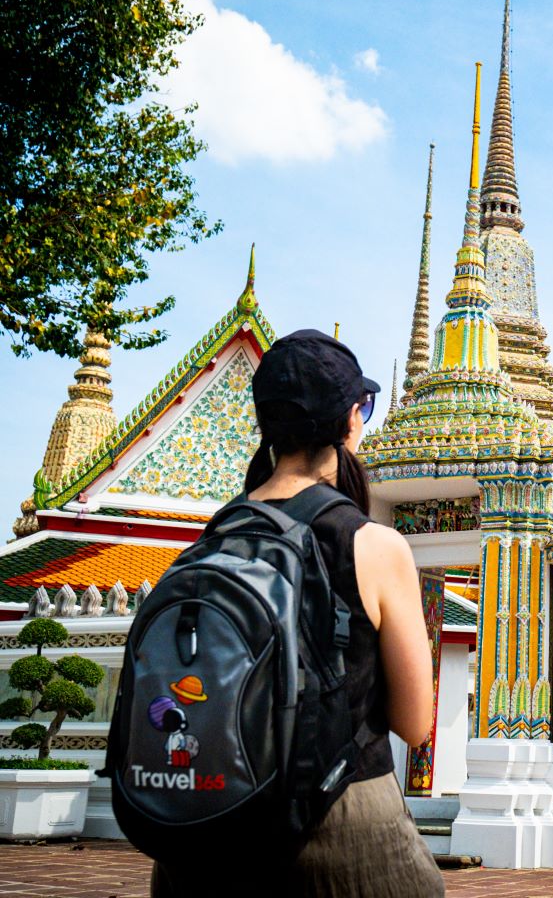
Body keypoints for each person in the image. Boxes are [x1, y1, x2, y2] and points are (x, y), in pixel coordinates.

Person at [150, 329, 445, 898]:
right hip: (342, 819)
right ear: (352, 423)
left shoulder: (211, 541)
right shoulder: (374, 546)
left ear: (266, 426)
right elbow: (415, 724)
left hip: (206, 820)